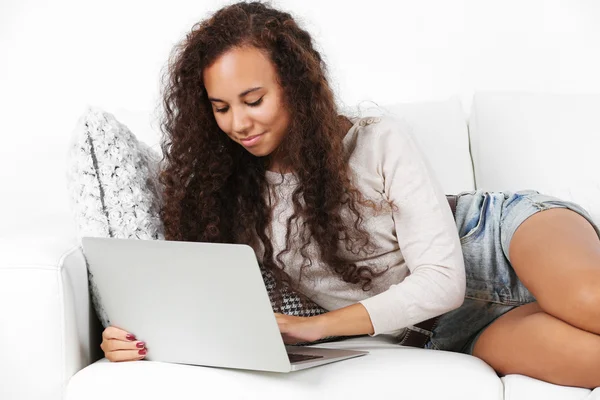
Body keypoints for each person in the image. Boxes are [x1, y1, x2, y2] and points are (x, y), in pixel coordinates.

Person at [100, 1, 600, 389]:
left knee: (588, 299)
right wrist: (132, 337)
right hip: (446, 333)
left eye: (253, 100)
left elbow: (443, 280)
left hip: (495, 238)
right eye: (221, 108)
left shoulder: (378, 138)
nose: (238, 123)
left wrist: (316, 327)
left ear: (296, 85)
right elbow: (189, 297)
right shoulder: (220, 195)